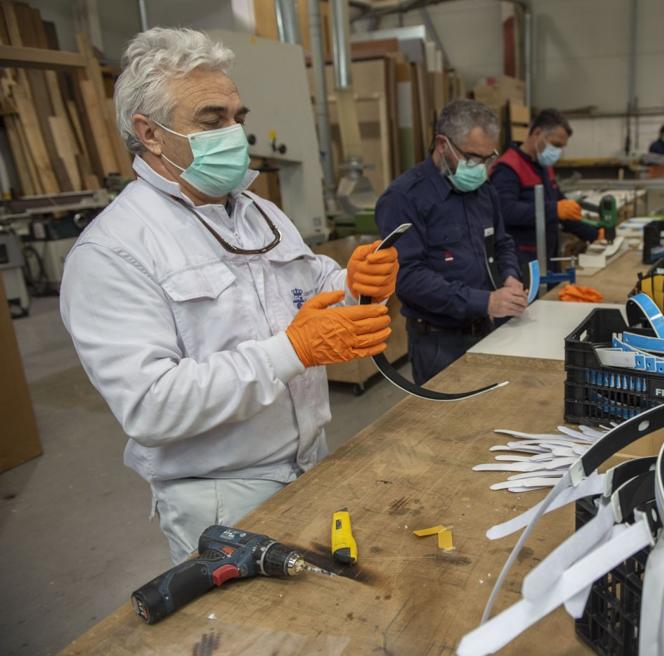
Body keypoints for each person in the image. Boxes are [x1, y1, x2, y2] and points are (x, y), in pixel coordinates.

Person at [59, 28, 399, 564]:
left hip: (314, 460)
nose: (235, 133)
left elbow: (307, 287)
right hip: (224, 497)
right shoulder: (112, 251)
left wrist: (354, 286)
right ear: (149, 133)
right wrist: (294, 351)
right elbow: (151, 407)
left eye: (238, 117)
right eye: (212, 120)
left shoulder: (255, 209)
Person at [375, 99, 526, 385]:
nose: (481, 169)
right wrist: (486, 301)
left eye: (488, 158)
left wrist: (510, 276)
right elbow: (407, 277)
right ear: (442, 144)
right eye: (472, 158)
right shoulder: (404, 198)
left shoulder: (484, 191)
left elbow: (502, 242)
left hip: (488, 327)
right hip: (438, 342)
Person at [490, 109, 597, 271]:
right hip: (521, 261)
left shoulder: (544, 166)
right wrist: (554, 210)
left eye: (562, 147)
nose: (558, 152)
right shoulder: (508, 168)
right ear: (537, 133)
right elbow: (505, 211)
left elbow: (562, 210)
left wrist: (594, 234)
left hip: (547, 255)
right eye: (556, 144)